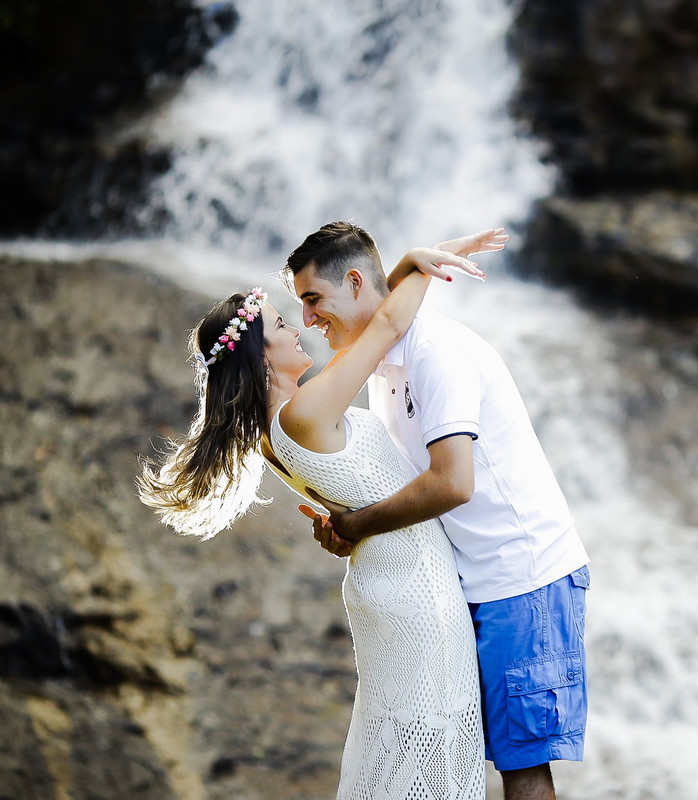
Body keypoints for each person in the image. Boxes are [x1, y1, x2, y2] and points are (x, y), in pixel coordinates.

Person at [138, 229, 504, 800]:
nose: (301, 326)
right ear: (263, 355)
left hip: (388, 589)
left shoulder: (273, 432)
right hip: (416, 594)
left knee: (400, 751)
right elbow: (386, 326)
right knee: (426, 758)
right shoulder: (305, 412)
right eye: (283, 326)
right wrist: (413, 264)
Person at [285, 221, 590, 800]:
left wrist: (359, 524)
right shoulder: (378, 362)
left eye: (313, 300)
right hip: (465, 583)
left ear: (353, 282)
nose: (307, 320)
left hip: (520, 579)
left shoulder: (436, 353)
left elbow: (453, 484)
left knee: (522, 768)